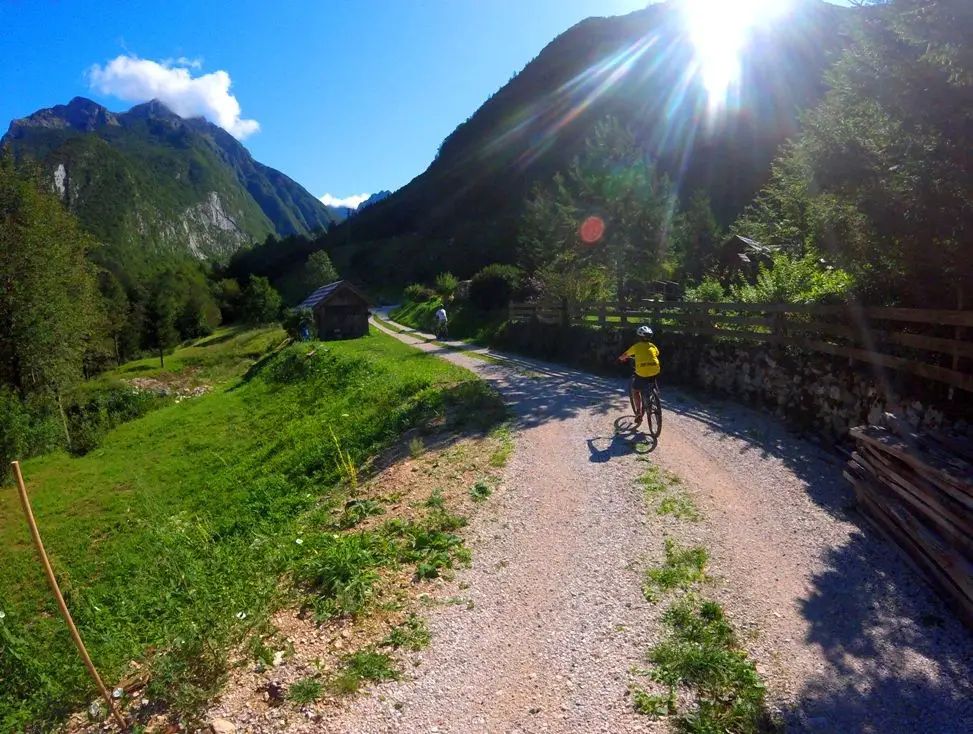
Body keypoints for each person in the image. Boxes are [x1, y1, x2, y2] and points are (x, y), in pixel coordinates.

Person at [618, 325, 661, 427]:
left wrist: (621, 358)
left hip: (642, 372)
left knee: (635, 390)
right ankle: (655, 393)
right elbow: (657, 354)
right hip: (655, 370)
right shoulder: (653, 346)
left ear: (638, 337)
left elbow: (625, 355)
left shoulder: (636, 347)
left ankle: (638, 413)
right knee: (651, 377)